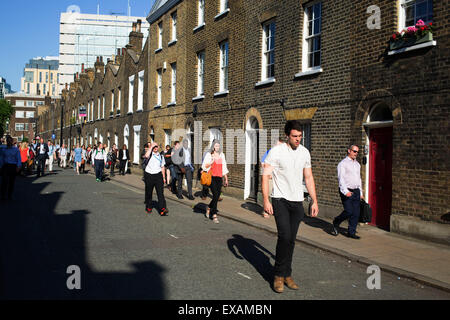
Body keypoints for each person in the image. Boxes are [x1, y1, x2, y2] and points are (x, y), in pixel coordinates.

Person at [262, 120, 319, 293]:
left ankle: (287, 274)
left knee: (291, 240)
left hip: (297, 202)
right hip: (280, 200)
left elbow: (308, 177)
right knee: (284, 236)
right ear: (287, 135)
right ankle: (278, 276)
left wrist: (314, 201)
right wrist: (266, 200)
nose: (298, 139)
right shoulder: (276, 152)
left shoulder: (305, 153)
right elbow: (265, 176)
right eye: (295, 136)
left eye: (300, 136)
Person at [331, 145, 364, 239]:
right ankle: (336, 221)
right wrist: (345, 191)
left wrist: (360, 192)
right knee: (349, 211)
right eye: (354, 151)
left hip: (356, 191)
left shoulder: (357, 164)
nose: (356, 153)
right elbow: (341, 179)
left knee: (356, 213)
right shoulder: (343, 164)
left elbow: (359, 179)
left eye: (357, 152)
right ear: (349, 151)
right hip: (347, 191)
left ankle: (351, 232)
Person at [201, 140, 229, 223]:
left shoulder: (222, 155)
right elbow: (204, 166)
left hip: (219, 178)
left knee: (216, 196)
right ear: (213, 146)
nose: (217, 147)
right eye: (216, 146)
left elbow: (224, 167)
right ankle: (214, 215)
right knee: (216, 195)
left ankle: (209, 207)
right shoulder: (209, 155)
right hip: (212, 177)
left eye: (218, 146)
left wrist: (226, 178)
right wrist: (211, 162)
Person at [143, 142, 169, 216]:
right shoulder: (150, 154)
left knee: (160, 193)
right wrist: (151, 147)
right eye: (154, 147)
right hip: (149, 175)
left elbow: (162, 167)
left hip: (158, 176)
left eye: (156, 146)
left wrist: (164, 177)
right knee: (149, 192)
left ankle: (162, 209)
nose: (155, 148)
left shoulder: (161, 156)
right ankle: (149, 206)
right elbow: (146, 156)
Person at [0, 136, 22, 201]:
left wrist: (18, 166)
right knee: (4, 181)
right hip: (6, 166)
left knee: (11, 182)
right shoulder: (3, 149)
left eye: (10, 141)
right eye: (8, 141)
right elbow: (2, 158)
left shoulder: (15, 149)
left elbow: (18, 158)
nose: (9, 142)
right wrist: (0, 166)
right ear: (6, 142)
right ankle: (3, 195)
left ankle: (10, 195)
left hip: (13, 166)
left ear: (12, 142)